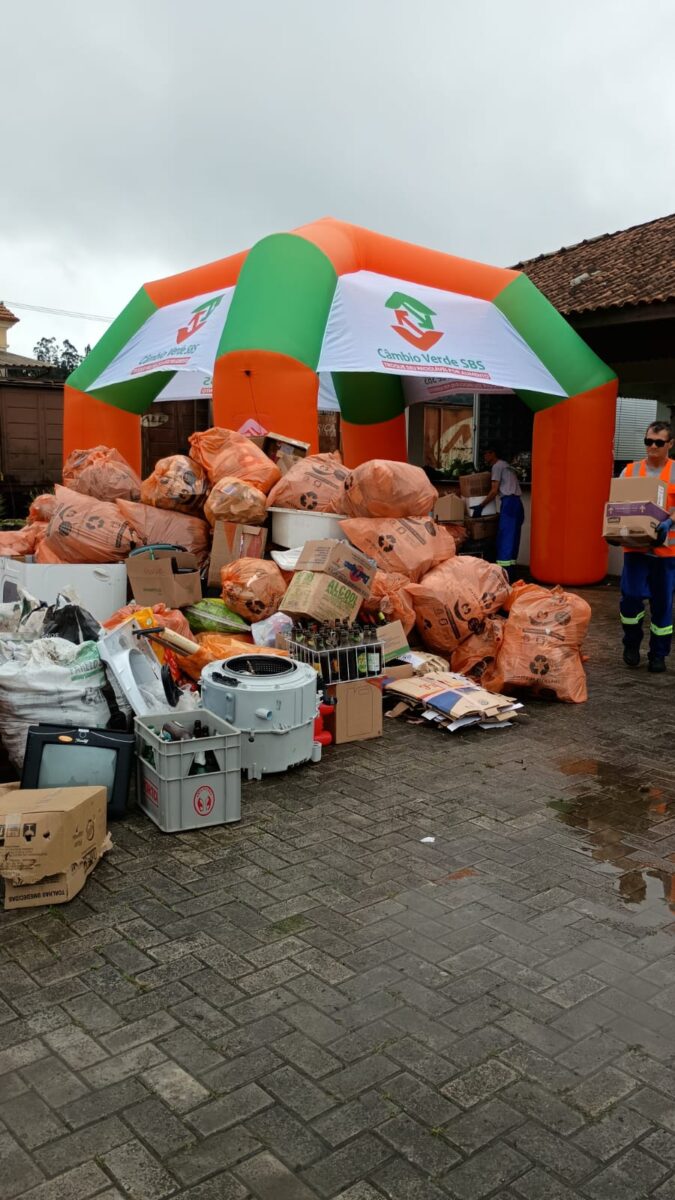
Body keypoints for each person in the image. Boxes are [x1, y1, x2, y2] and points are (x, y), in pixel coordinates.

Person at [619, 420, 675, 674]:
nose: (652, 446)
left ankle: (658, 654)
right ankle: (631, 643)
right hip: (636, 550)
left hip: (666, 554)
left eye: (658, 442)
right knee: (630, 598)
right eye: (648, 441)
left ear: (670, 445)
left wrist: (670, 521)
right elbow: (617, 504)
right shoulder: (630, 471)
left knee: (662, 606)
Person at [471, 446, 524, 582]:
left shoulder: (497, 467)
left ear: (492, 453)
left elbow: (494, 490)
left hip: (509, 504)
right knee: (513, 538)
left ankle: (503, 576)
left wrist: (480, 506)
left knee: (505, 538)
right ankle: (511, 574)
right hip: (517, 504)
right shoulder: (507, 466)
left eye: (485, 454)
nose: (484, 457)